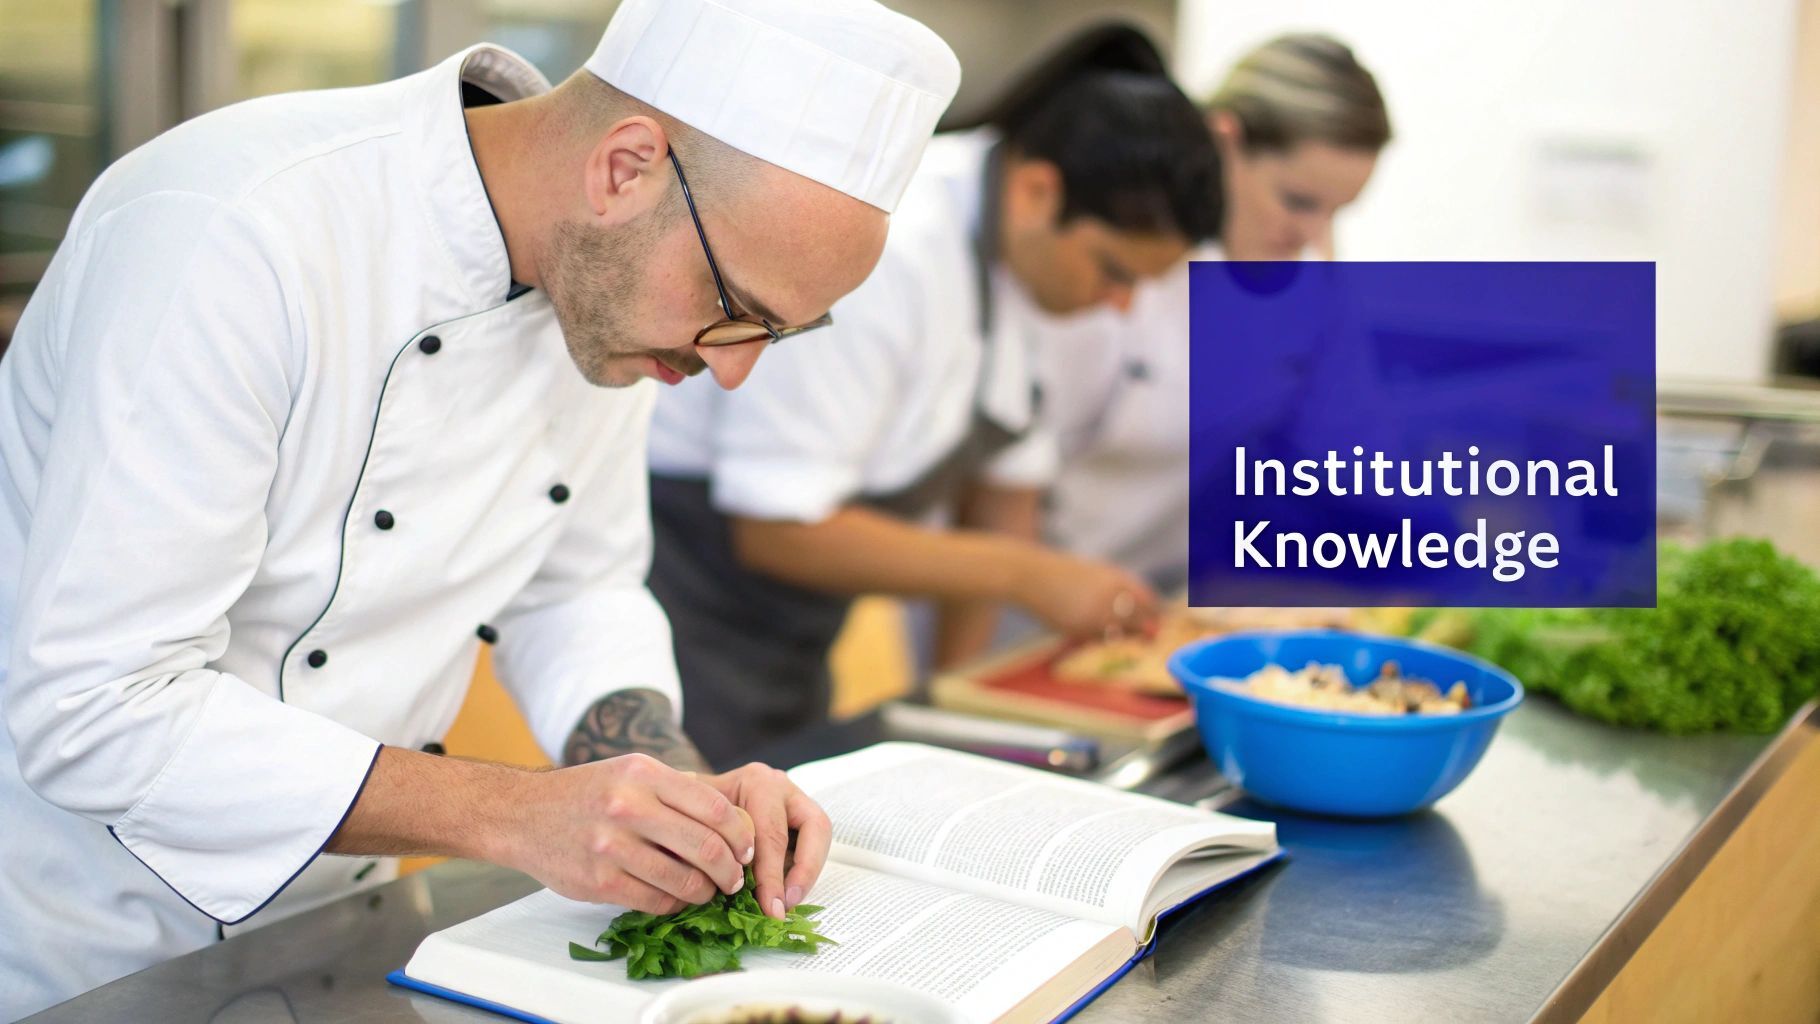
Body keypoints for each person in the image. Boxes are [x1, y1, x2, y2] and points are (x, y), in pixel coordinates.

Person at [0, 0, 960, 1014]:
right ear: (624, 167)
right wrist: (516, 814)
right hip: (78, 945)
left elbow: (576, 585)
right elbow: (95, 707)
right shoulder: (233, 228)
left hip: (333, 916)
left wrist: (672, 792)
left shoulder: (611, 294)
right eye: (736, 311)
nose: (731, 373)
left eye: (780, 333)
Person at [645, 26, 1221, 767]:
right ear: (1038, 191)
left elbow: (1002, 496)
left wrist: (956, 709)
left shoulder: (1018, 269)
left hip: (793, 637)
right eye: (1113, 271)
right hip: (694, 606)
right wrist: (1030, 575)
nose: (1118, 305)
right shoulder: (893, 254)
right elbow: (778, 528)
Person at [1039, 34, 1392, 598]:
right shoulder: (1112, 258)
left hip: (1168, 597)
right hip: (1034, 597)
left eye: (1335, 212)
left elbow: (1344, 460)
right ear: (1223, 141)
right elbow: (1006, 474)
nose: (1314, 236)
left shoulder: (1311, 286)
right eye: (1298, 201)